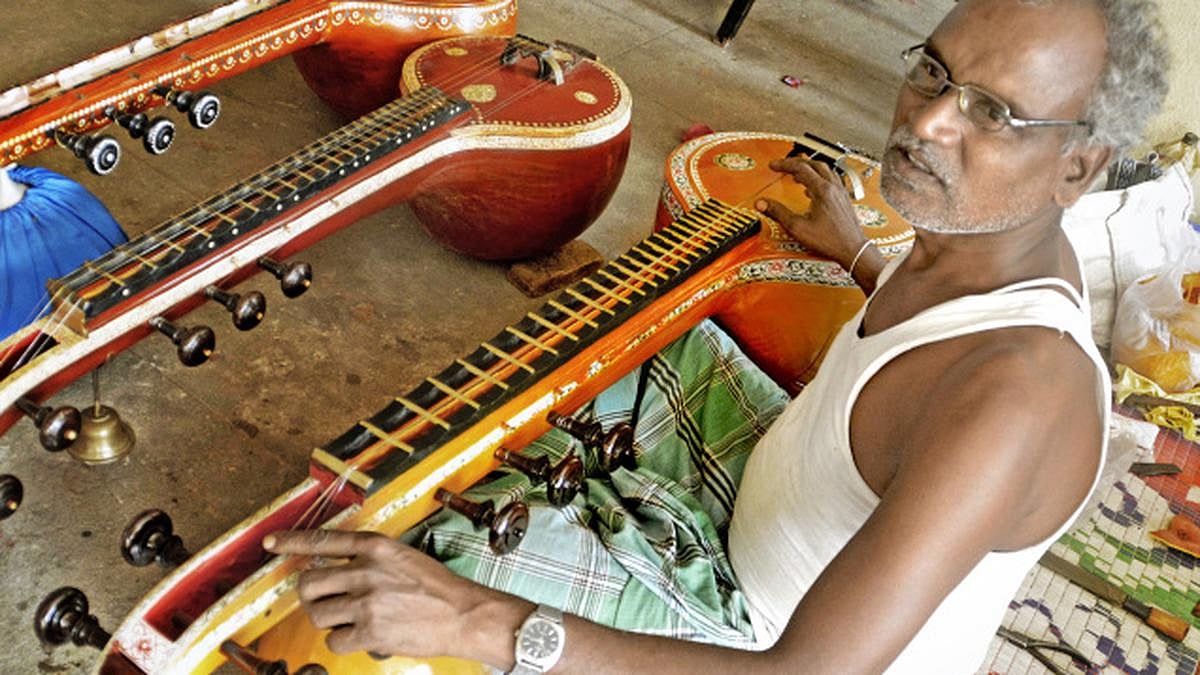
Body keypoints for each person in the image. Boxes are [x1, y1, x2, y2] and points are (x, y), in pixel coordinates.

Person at [263, 0, 1171, 672]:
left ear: (1079, 169)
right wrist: (858, 258)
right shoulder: (971, 247)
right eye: (933, 73)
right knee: (629, 344)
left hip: (760, 639)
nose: (928, 120)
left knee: (426, 580)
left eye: (994, 114)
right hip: (769, 506)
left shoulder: (1015, 397)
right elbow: (923, 343)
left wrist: (477, 621)